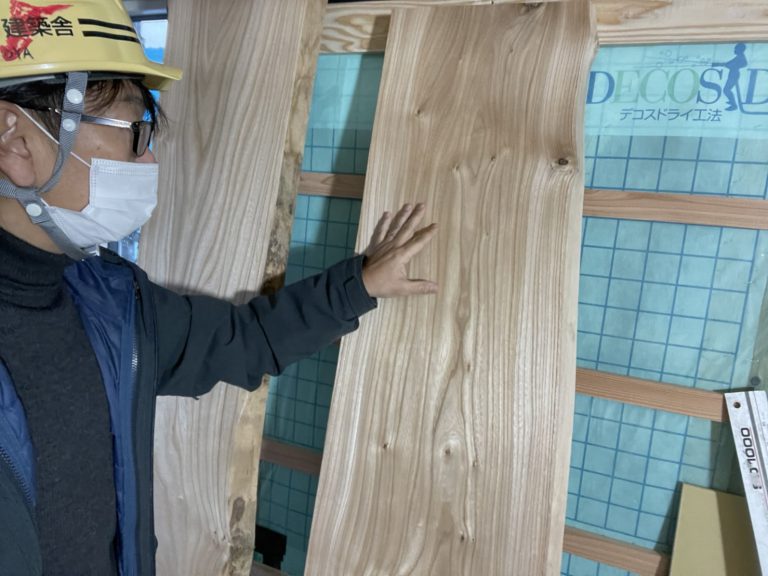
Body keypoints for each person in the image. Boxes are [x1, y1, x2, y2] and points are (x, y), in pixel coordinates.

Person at [0, 1, 438, 574]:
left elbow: (243, 339)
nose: (148, 159)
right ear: (15, 140)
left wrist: (358, 286)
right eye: (135, 133)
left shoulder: (112, 303)